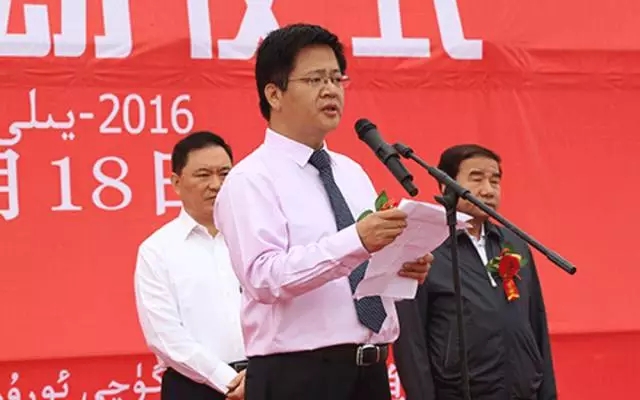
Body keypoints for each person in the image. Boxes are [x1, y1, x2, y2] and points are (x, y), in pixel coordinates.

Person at [213, 23, 433, 400]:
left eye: (336, 78)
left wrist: (400, 266)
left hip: (370, 372)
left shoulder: (352, 172)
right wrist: (357, 241)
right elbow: (263, 278)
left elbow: (359, 271)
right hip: (298, 377)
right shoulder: (251, 179)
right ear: (274, 94)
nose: (331, 90)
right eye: (315, 79)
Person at [393, 144, 557, 400]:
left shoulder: (514, 244)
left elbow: (536, 322)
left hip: (522, 391)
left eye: (495, 181)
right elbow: (411, 342)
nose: (488, 190)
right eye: (476, 179)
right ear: (445, 185)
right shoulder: (422, 247)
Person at [133, 131, 247, 400]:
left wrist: (260, 376)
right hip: (194, 388)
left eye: (224, 173)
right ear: (176, 182)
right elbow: (165, 337)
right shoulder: (157, 250)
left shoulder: (255, 236)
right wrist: (229, 380)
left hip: (264, 381)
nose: (216, 184)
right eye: (203, 175)